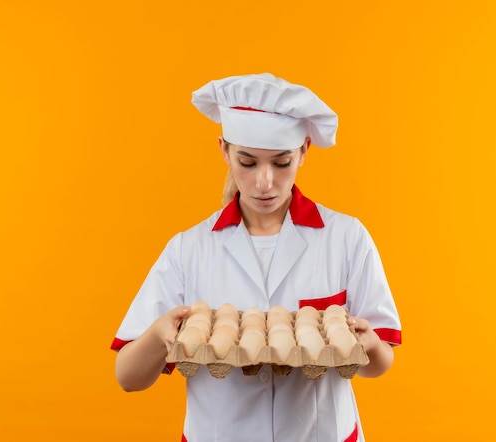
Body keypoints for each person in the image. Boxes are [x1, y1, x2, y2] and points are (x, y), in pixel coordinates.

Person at [111, 73, 402, 442]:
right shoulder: (189, 249)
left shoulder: (346, 238)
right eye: (248, 163)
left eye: (281, 163)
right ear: (224, 150)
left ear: (304, 151)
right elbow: (127, 378)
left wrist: (369, 344)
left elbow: (380, 364)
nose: (264, 182)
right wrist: (158, 334)